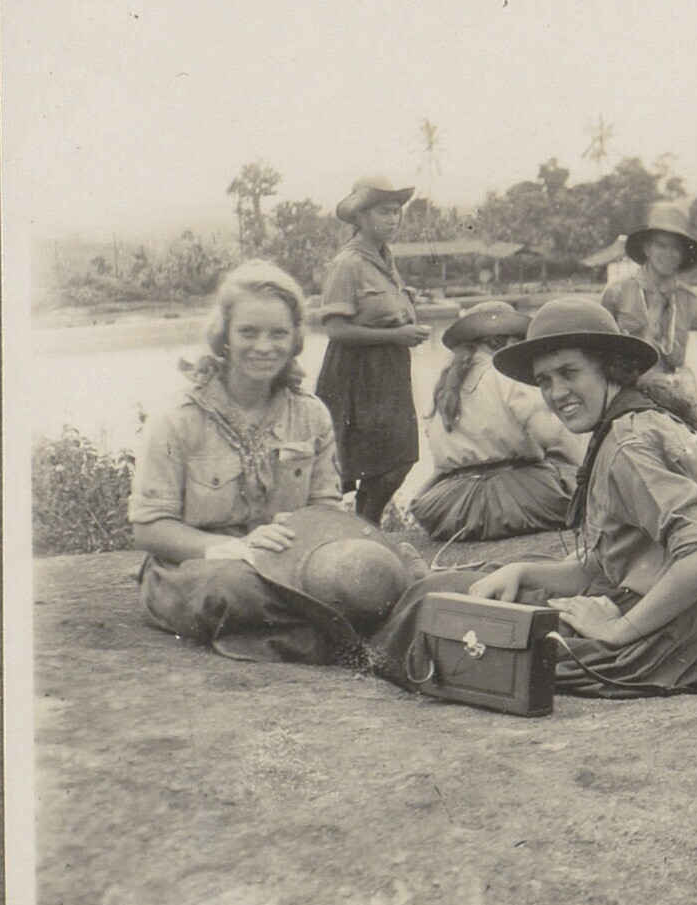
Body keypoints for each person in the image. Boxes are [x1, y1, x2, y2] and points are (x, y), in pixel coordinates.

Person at [366, 298, 697, 699]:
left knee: (456, 624)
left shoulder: (630, 443)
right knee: (483, 584)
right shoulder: (626, 423)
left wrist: (620, 630)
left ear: (610, 368)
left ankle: (394, 603)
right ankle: (419, 587)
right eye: (545, 381)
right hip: (682, 615)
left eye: (569, 373)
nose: (556, 393)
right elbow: (609, 562)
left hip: (679, 632)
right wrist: (521, 570)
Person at [128, 260, 409, 664]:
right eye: (248, 332)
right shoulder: (177, 419)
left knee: (373, 573)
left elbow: (325, 510)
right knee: (236, 588)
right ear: (224, 336)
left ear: (295, 338)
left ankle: (319, 632)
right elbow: (149, 528)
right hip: (198, 569)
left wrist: (306, 531)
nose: (264, 347)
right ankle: (338, 640)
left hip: (290, 567)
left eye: (278, 334)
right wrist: (233, 547)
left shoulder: (310, 414)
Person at [409, 300, 583, 541]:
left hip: (454, 508)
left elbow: (440, 463)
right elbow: (555, 438)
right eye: (518, 341)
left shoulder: (443, 387)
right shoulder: (506, 376)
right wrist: (583, 478)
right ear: (503, 342)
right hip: (517, 499)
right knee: (576, 486)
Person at [315, 175, 431, 526]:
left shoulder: (384, 259)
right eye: (384, 212)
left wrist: (403, 303)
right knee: (388, 457)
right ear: (360, 217)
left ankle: (366, 526)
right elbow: (336, 329)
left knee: (395, 456)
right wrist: (397, 334)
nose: (393, 219)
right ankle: (365, 525)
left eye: (397, 211)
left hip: (388, 371)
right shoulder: (347, 263)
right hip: (356, 374)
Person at [600, 202, 697, 401]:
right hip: (623, 396)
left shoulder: (689, 301)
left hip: (668, 396)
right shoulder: (617, 293)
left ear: (683, 255)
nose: (668, 254)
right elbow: (599, 351)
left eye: (676, 248)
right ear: (647, 248)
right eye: (661, 245)